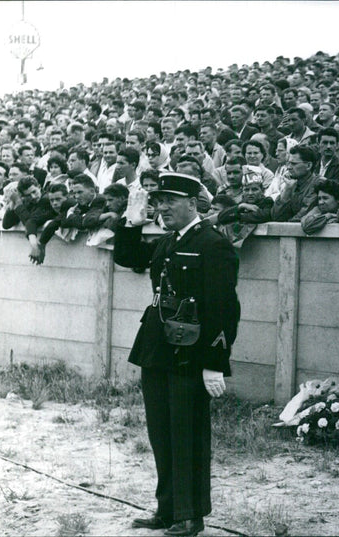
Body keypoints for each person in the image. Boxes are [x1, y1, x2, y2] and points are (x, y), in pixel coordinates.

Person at [113, 172, 239, 537]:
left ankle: (190, 514)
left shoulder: (213, 244)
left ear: (193, 203)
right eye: (158, 201)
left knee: (187, 433)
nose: (162, 207)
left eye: (169, 201)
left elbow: (225, 309)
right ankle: (167, 509)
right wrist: (132, 222)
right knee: (161, 433)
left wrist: (215, 364)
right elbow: (127, 255)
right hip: (158, 348)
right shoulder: (170, 242)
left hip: (191, 353)